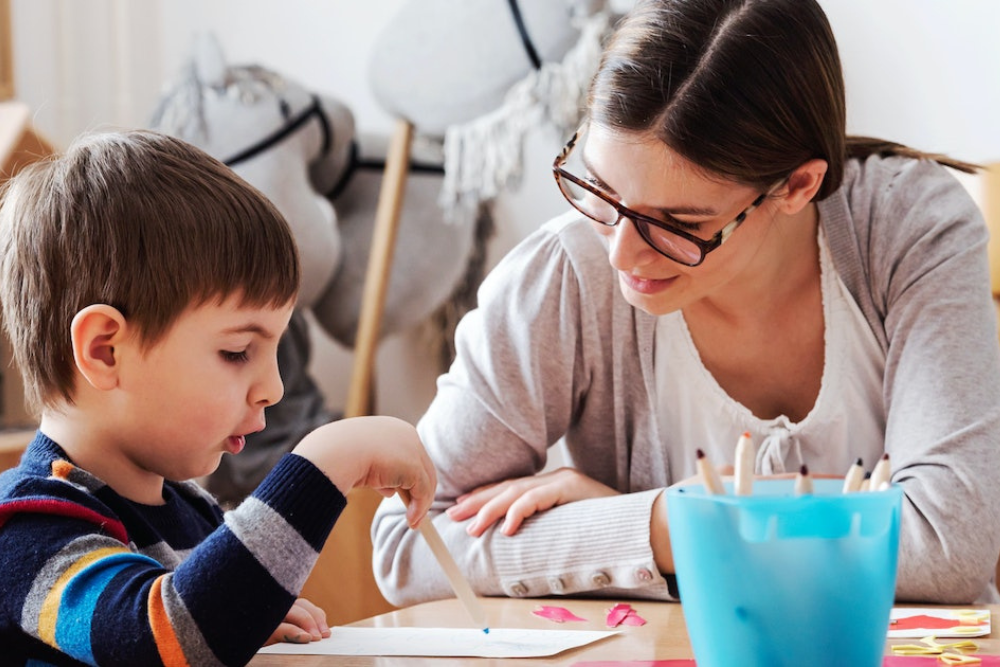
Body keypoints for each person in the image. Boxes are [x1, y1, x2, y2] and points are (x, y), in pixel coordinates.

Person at [372, 0, 1000, 607]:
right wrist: (653, 527)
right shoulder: (566, 271)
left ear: (797, 186)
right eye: (600, 186)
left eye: (677, 222)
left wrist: (672, 522)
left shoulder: (905, 224)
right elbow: (410, 542)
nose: (621, 255)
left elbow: (948, 543)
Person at [0, 130, 437, 666]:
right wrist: (327, 461)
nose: (274, 388)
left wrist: (241, 614)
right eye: (236, 351)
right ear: (105, 351)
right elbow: (163, 638)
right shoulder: (28, 527)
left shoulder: (190, 508)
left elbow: (199, 627)